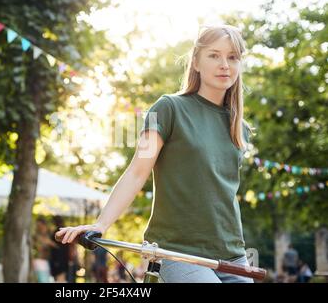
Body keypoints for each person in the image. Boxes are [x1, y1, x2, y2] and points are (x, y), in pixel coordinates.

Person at [55, 25, 254, 283]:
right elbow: (138, 171)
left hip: (232, 255)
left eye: (232, 57)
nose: (224, 64)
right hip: (175, 251)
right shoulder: (167, 109)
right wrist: (100, 225)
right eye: (214, 55)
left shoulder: (240, 128)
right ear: (195, 61)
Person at [32, 217, 55, 283]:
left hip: (51, 261)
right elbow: (34, 249)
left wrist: (49, 243)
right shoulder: (36, 236)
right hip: (40, 261)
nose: (39, 227)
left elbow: (57, 246)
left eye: (40, 225)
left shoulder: (50, 234)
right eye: (38, 226)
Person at [49, 216, 70, 282]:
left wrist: (48, 242)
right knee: (61, 277)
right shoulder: (65, 230)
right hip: (63, 258)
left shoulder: (58, 232)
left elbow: (58, 246)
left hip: (58, 258)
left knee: (60, 278)